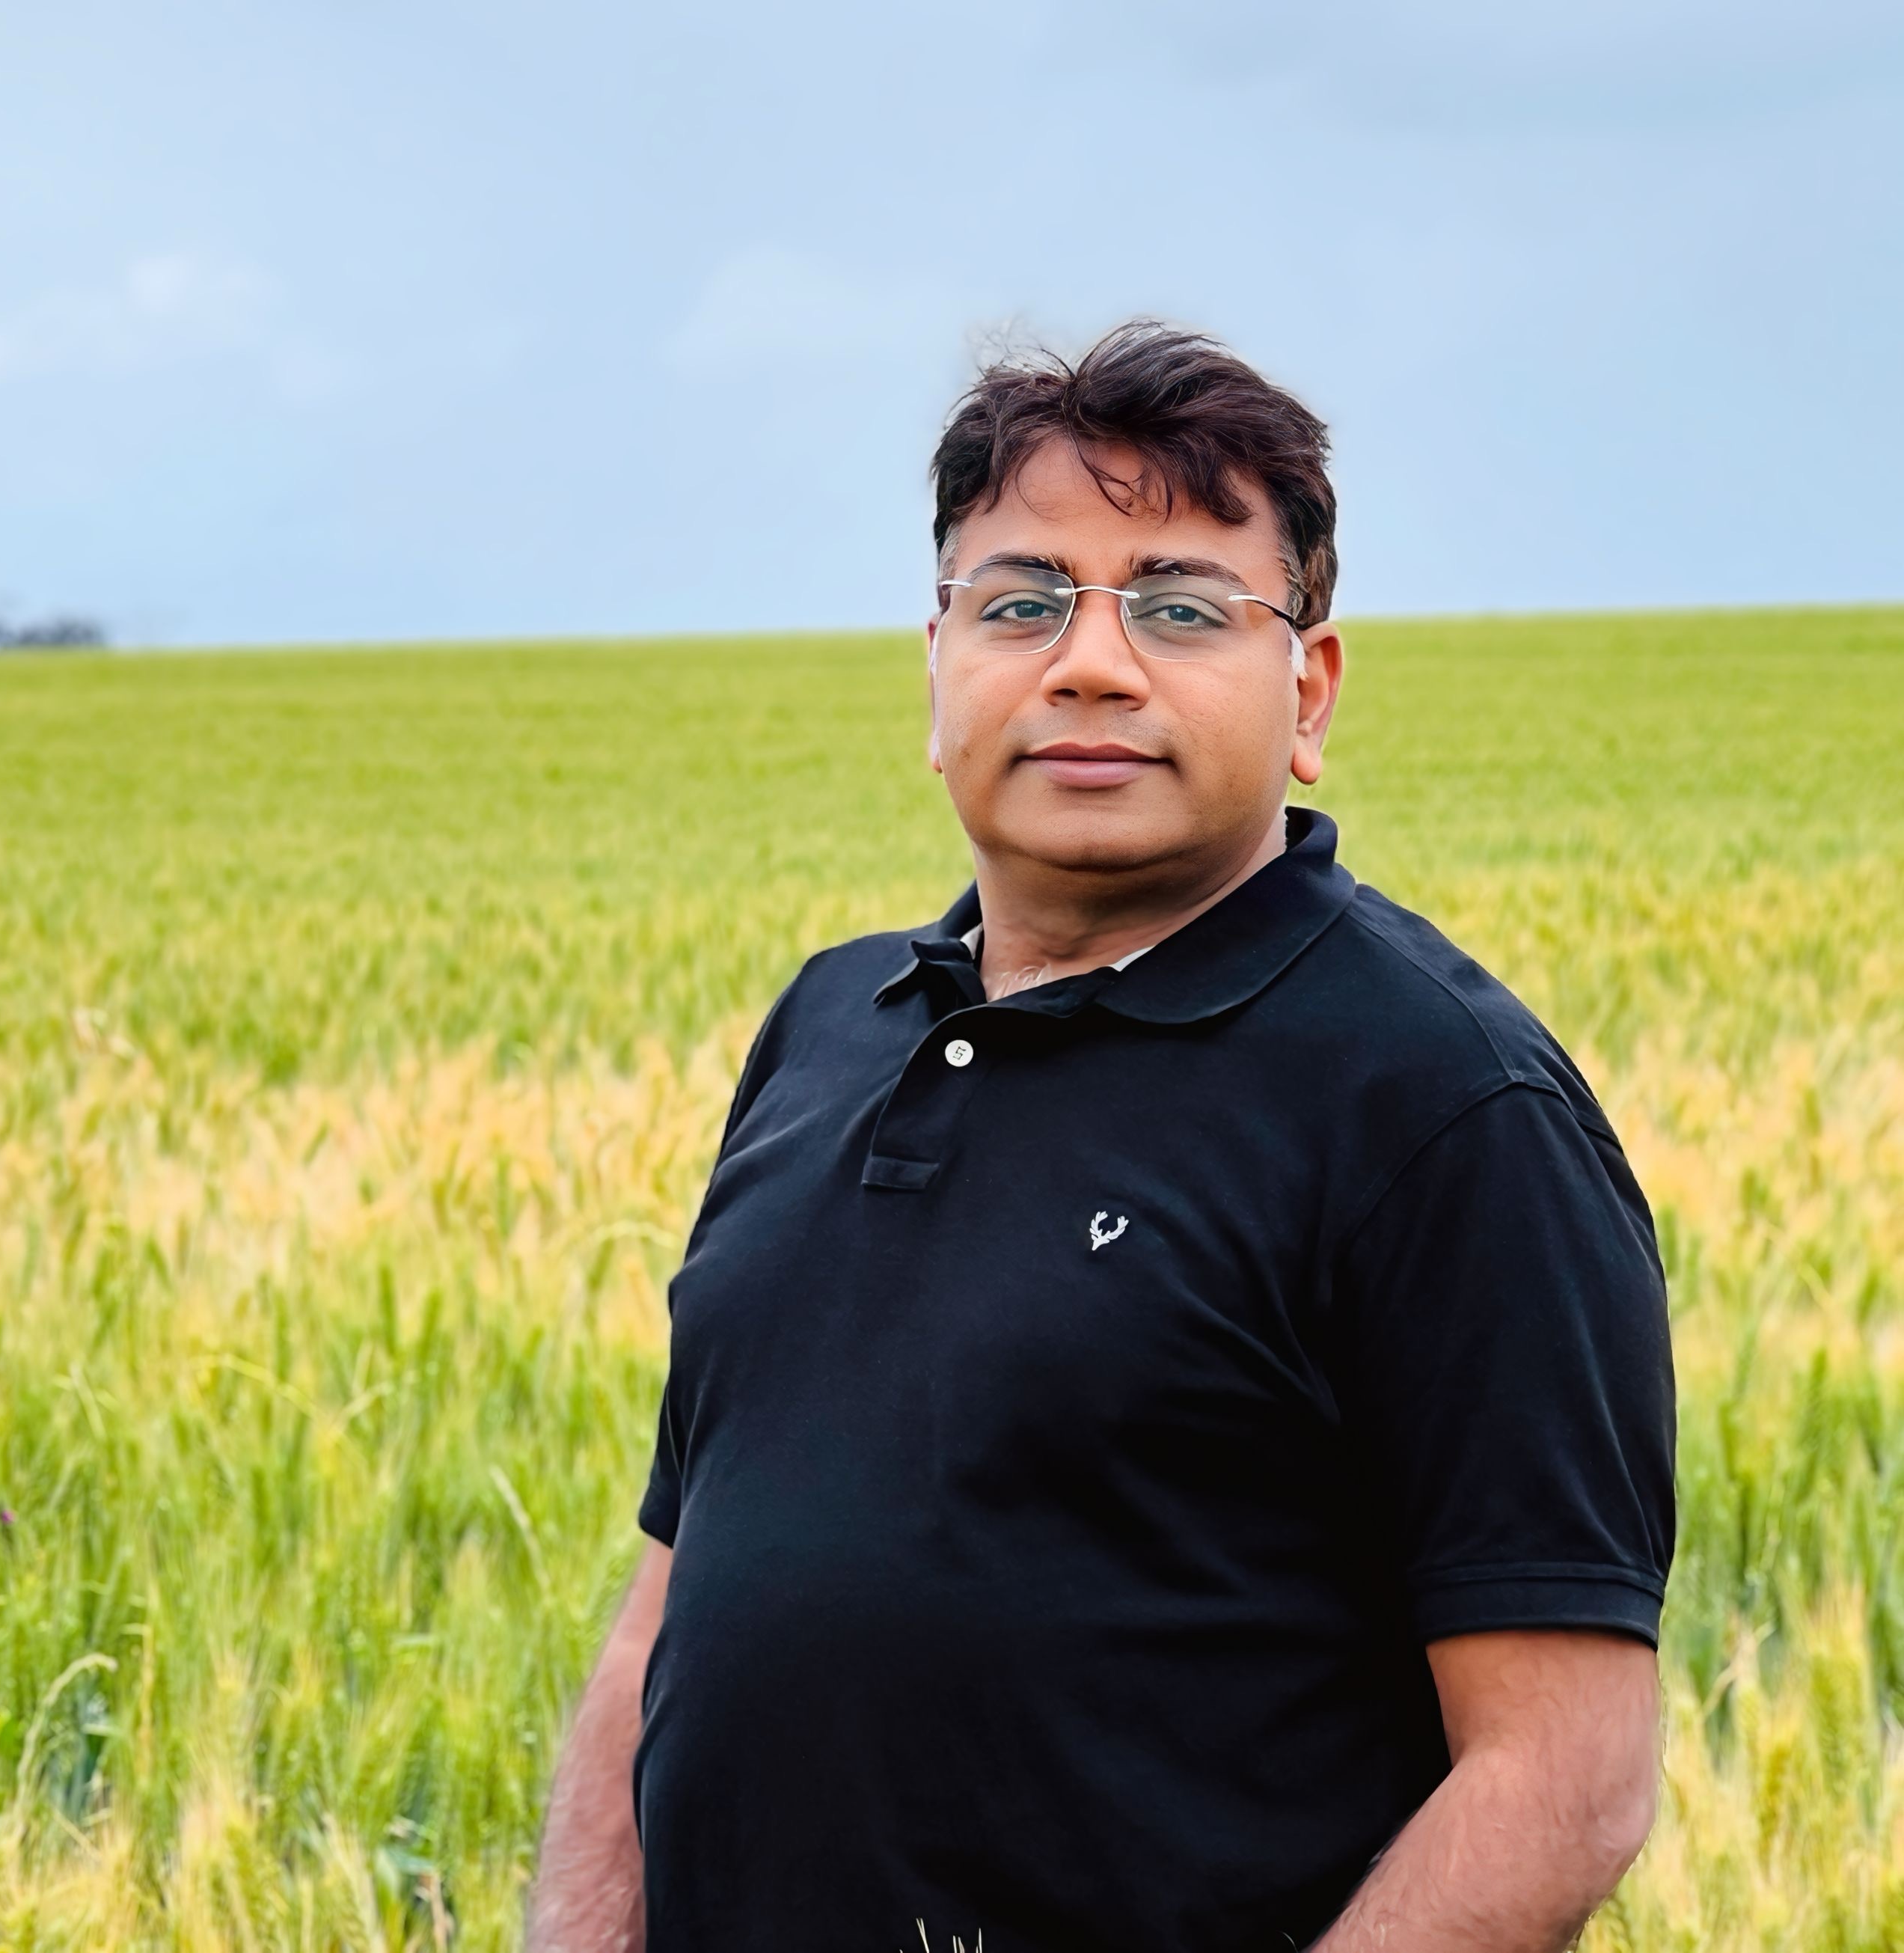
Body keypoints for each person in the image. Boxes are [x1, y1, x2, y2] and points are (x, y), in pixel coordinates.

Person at [526, 321, 1675, 1952]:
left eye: (1182, 607)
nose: (1089, 661)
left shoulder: (1443, 1108)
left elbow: (1562, 1777)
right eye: (1020, 602)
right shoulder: (829, 1028)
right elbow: (674, 1610)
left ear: (1309, 693)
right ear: (937, 674)